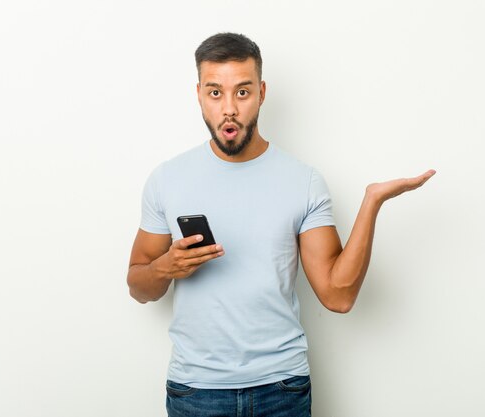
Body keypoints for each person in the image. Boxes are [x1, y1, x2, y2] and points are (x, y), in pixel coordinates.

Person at [127, 32, 435, 417]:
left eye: (242, 92)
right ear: (199, 94)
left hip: (281, 389)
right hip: (196, 390)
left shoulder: (301, 181)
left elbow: (338, 296)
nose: (229, 109)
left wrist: (371, 203)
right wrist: (164, 268)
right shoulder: (167, 179)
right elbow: (138, 286)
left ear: (262, 92)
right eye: (215, 92)